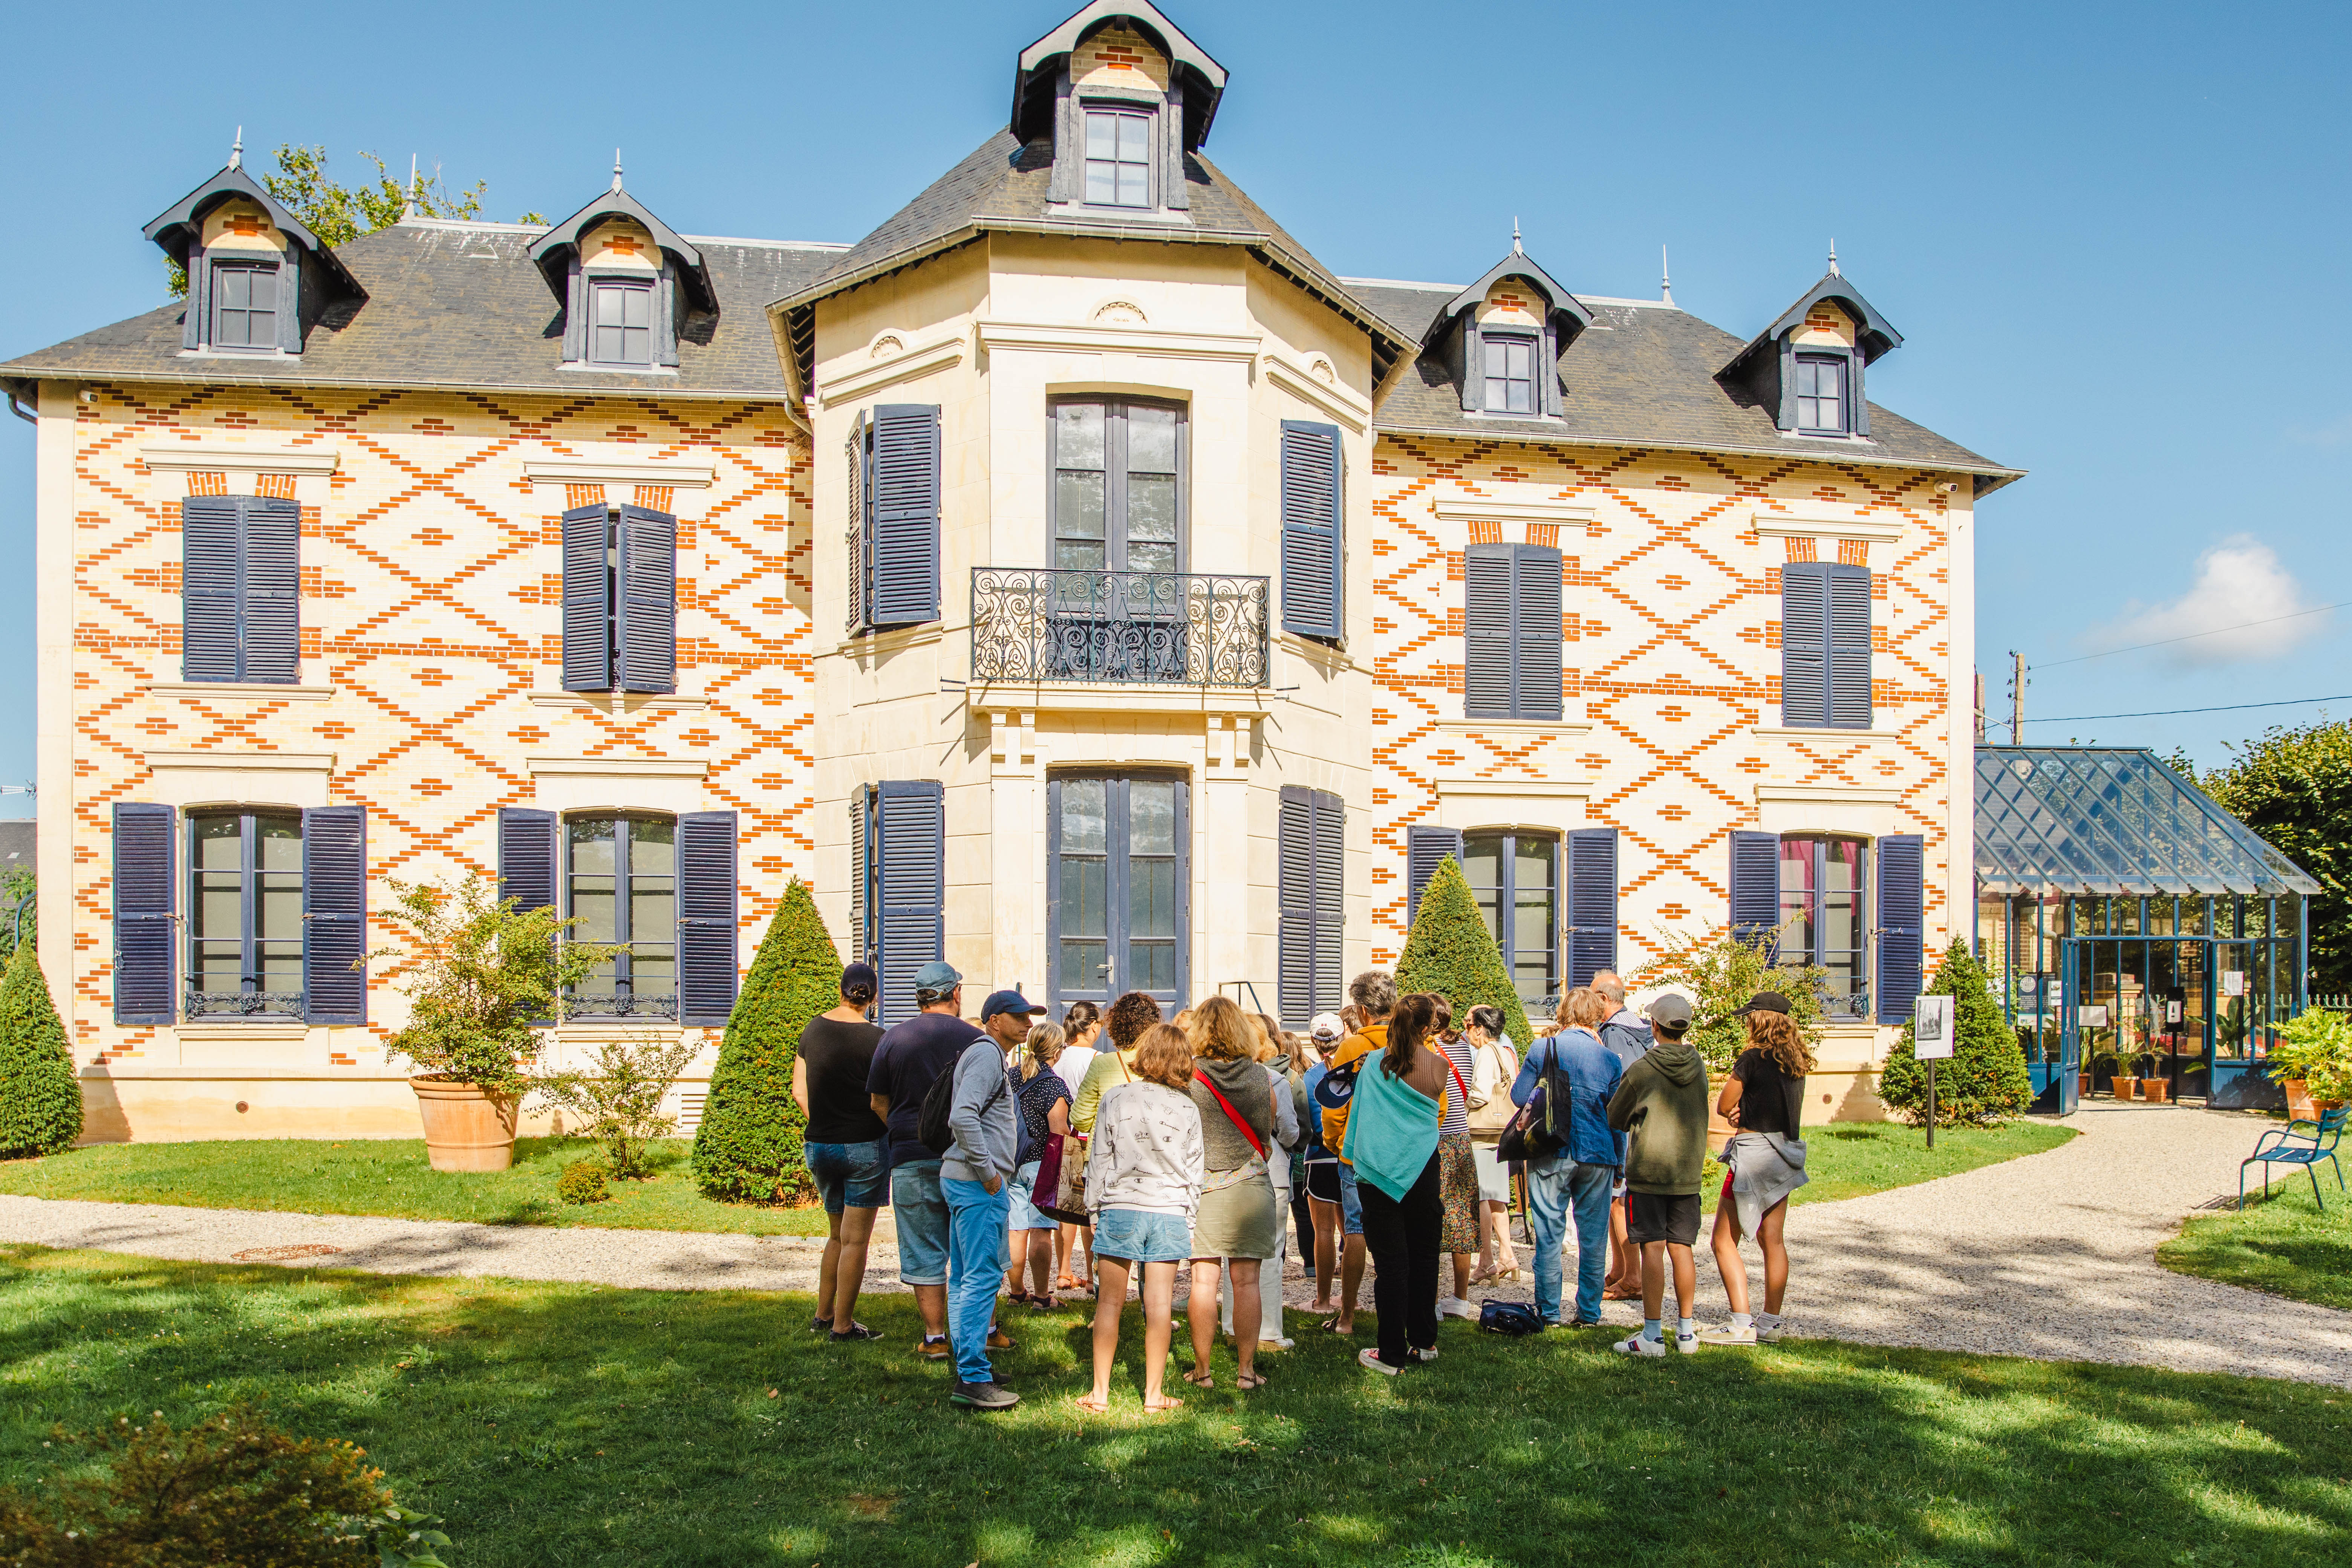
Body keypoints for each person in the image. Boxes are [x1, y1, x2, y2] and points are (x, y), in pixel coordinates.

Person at [865, 960, 990, 1364]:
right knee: (975, 1249)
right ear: (956, 993)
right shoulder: (976, 1039)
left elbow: (877, 1101)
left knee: (923, 1249)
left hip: (910, 1157)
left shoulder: (893, 1038)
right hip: (967, 1158)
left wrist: (909, 1131)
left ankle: (935, 1337)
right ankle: (983, 1332)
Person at [1077, 1023, 1203, 1415]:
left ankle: (1100, 1392)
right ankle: (1153, 1394)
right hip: (1169, 1210)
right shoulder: (1188, 1107)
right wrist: (1190, 1219)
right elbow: (1194, 1170)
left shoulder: (1116, 1097)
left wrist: (1093, 1208)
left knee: (1109, 1303)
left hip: (1120, 1206)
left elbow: (1099, 1158)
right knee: (1160, 1304)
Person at [940, 986, 1042, 1409]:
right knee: (981, 1277)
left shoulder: (988, 1054)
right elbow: (962, 1116)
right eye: (1019, 1017)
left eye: (1030, 1016)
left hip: (964, 1179)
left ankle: (970, 1364)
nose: (1029, 1024)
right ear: (995, 1021)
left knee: (965, 1276)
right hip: (976, 1183)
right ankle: (973, 1377)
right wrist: (989, 1175)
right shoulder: (985, 1054)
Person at [1183, 997, 1287, 1389]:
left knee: (1202, 1282)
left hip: (1203, 1188)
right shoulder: (1262, 1077)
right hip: (1251, 1186)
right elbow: (1269, 1128)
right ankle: (1246, 1371)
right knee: (1247, 1283)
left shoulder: (1188, 1077)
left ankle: (1203, 1371)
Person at [1346, 991, 1452, 1374]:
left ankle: (1391, 1353)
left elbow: (1359, 1111)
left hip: (1379, 1170)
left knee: (1391, 1265)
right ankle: (1424, 1342)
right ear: (1427, 1028)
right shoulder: (1439, 1066)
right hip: (1422, 1166)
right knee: (1424, 1257)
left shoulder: (1373, 1063)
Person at [1701, 993, 1813, 1346]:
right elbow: (1766, 1105)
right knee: (1772, 1239)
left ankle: (1740, 1323)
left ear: (1760, 1020)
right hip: (1783, 1155)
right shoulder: (1796, 1063)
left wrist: (1737, 1112)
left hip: (1752, 1156)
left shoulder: (1751, 1059)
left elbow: (1724, 1104)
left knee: (1722, 1240)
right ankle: (1770, 1323)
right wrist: (1743, 1110)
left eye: (1749, 1017)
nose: (1746, 1022)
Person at [1605, 991, 1711, 1357]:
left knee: (1652, 1247)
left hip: (1649, 1172)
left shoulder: (1643, 1070)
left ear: (1654, 1026)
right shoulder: (1698, 1065)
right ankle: (1686, 1332)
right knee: (1682, 1248)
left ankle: (1652, 1334)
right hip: (1687, 1172)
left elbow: (1615, 1116)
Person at [1510, 987, 1622, 1327]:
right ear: (1596, 1016)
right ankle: (1588, 1312)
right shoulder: (1610, 1059)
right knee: (1593, 1238)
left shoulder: (1543, 1047)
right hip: (1597, 1151)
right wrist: (1620, 1162)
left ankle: (1549, 1311)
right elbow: (1617, 1118)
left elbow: (1519, 1096)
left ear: (1563, 1013)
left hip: (1550, 1148)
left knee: (1548, 1235)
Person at [794, 961, 889, 1342]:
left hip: (819, 1144)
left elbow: (799, 1091)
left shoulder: (813, 1029)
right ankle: (843, 1325)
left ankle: (823, 1314)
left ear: (841, 990)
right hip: (864, 1145)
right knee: (855, 1241)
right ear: (874, 997)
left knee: (836, 1236)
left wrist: (824, 1122)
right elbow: (881, 1100)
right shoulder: (878, 1038)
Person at [1317, 972, 1396, 1335]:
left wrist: (1336, 1142)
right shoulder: (1415, 1045)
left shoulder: (1352, 1047)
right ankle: (1404, 1309)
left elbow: (1334, 1106)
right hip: (1401, 1152)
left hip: (1358, 1150)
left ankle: (1347, 1316)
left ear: (1363, 1011)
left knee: (1356, 1229)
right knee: (1400, 1231)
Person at [1591, 970, 1654, 1301]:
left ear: (1603, 998)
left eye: (1592, 996)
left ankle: (1632, 1277)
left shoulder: (1615, 1033)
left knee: (1619, 1203)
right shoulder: (1638, 1027)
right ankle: (1619, 1270)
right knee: (1616, 1201)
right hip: (1636, 1128)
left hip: (1623, 1130)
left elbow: (1622, 1085)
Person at [1004, 1021, 1073, 1310]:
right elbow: (1059, 1132)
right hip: (1041, 1164)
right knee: (1041, 1230)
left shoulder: (1010, 1076)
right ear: (1057, 1052)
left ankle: (1017, 1292)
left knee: (1016, 1229)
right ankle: (1043, 1297)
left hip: (1012, 1160)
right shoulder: (1054, 1084)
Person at [1461, 1004, 1522, 1285]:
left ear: (1480, 1029)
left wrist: (1464, 1106)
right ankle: (1507, 1255)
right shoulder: (1506, 1050)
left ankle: (1486, 1261)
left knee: (1482, 1196)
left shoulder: (1486, 1052)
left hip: (1483, 1134)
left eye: (1469, 1026)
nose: (1467, 1031)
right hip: (1502, 1132)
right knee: (1497, 1196)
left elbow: (1481, 1094)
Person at [1429, 997, 1481, 1320]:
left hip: (1434, 1137)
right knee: (1461, 1218)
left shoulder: (1428, 1049)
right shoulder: (1463, 1046)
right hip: (1461, 1138)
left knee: (1429, 1219)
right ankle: (1460, 1298)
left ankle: (1431, 1299)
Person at [1053, 1001, 1105, 1293]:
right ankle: (1089, 1273)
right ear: (1094, 1026)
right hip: (1088, 1137)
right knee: (1088, 1210)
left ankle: (1063, 1271)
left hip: (1063, 1135)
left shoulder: (1058, 1056)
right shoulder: (1098, 1059)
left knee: (1066, 1207)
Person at [1299, 1011, 1347, 1313]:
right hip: (1351, 1155)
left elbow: (1306, 1121)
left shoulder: (1311, 1075)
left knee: (1324, 1232)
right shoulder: (1357, 1069)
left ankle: (1323, 1299)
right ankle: (1351, 1298)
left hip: (1320, 1156)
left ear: (1314, 1041)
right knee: (1353, 1231)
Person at [1072, 991, 1164, 1134]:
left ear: (1118, 1026)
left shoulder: (1101, 1064)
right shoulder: (1163, 1065)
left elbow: (1081, 1121)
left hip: (1107, 1145)